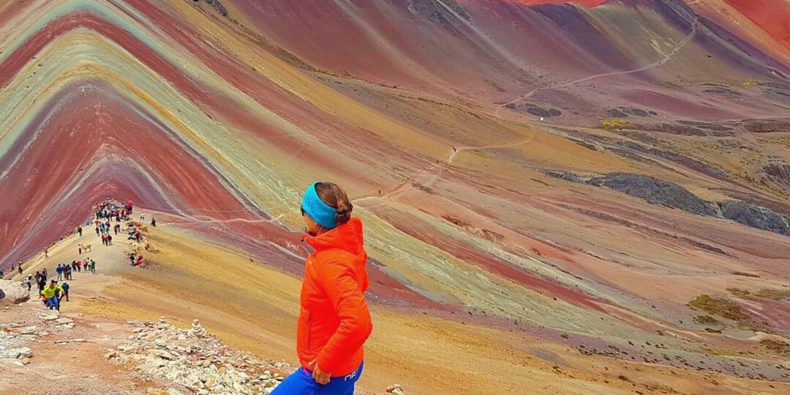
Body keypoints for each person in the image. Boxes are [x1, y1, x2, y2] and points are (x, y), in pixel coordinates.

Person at [271, 182, 372, 395]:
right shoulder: (347, 246)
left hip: (324, 374)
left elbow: (359, 323)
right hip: (348, 363)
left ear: (316, 219)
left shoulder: (329, 264)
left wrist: (326, 363)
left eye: (303, 211)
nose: (302, 217)